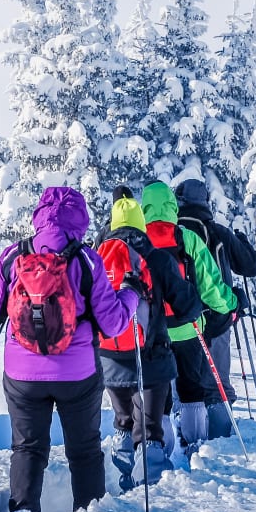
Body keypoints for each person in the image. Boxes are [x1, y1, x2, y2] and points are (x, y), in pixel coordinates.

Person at [0, 186, 140, 512]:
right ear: (80, 220)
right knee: (84, 448)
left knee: (28, 446)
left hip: (22, 374)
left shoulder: (14, 255)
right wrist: (131, 292)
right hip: (77, 374)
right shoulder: (87, 260)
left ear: (39, 215)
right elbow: (112, 324)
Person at [95, 192, 202, 490]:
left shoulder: (96, 256)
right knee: (151, 428)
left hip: (109, 358)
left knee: (124, 422)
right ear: (141, 222)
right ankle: (153, 487)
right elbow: (187, 305)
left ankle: (123, 476)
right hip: (152, 359)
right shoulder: (156, 257)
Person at [140, 181, 238, 453]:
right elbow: (211, 287)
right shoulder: (187, 238)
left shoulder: (137, 240)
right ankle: (196, 445)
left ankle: (161, 448)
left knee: (159, 395)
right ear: (173, 206)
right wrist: (229, 304)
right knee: (192, 389)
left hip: (151, 332)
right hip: (189, 327)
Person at [174, 178, 256, 439]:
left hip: (181, 319)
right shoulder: (218, 232)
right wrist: (243, 243)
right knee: (216, 383)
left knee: (184, 383)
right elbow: (251, 267)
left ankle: (186, 436)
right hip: (218, 317)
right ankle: (220, 440)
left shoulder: (173, 235)